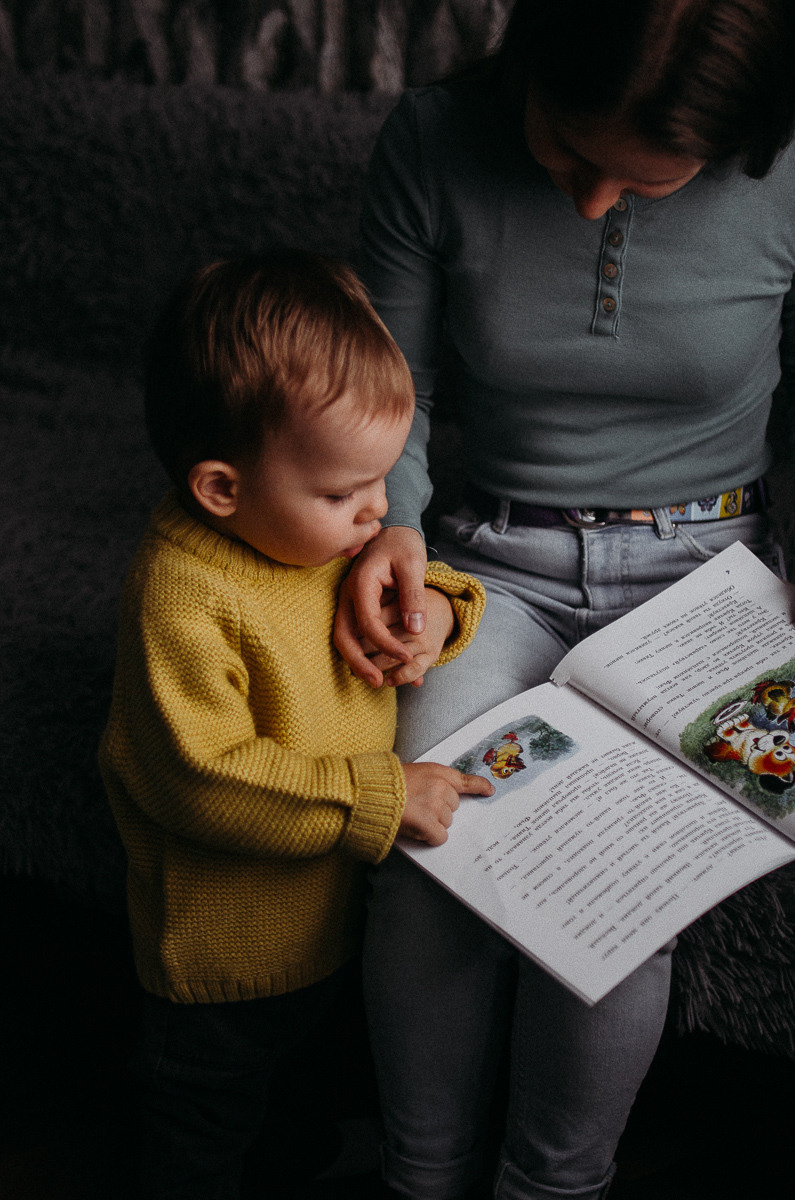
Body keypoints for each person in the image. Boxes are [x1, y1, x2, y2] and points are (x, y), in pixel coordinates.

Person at [331, 2, 795, 1198]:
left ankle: (552, 1190)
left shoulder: (788, 167)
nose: (589, 201)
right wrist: (390, 525)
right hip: (491, 564)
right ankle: (418, 1179)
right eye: (568, 153)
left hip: (711, 577)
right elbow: (401, 384)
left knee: (622, 890)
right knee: (434, 840)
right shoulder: (437, 138)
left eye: (636, 181)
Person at [98, 249, 491, 1199]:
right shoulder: (186, 596)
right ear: (222, 489)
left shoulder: (313, 532)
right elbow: (202, 778)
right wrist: (383, 797)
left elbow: (408, 573)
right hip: (222, 959)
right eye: (345, 493)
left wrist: (433, 608)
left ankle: (302, 1158)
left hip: (328, 919)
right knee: (204, 1125)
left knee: (305, 1091)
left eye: (383, 482)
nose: (378, 512)